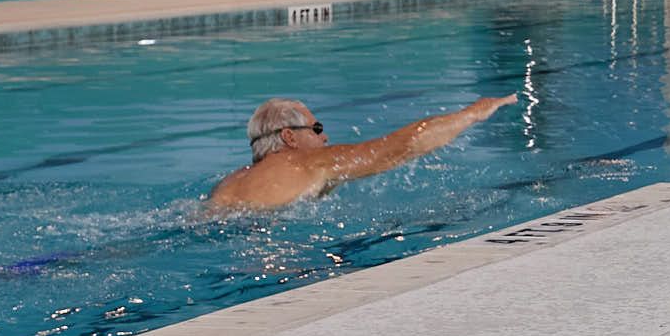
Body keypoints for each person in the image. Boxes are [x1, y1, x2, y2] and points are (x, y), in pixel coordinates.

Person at [201, 92, 515, 213]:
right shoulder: (309, 163)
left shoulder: (229, 183)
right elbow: (397, 148)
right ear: (289, 137)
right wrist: (472, 114)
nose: (325, 137)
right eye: (317, 128)